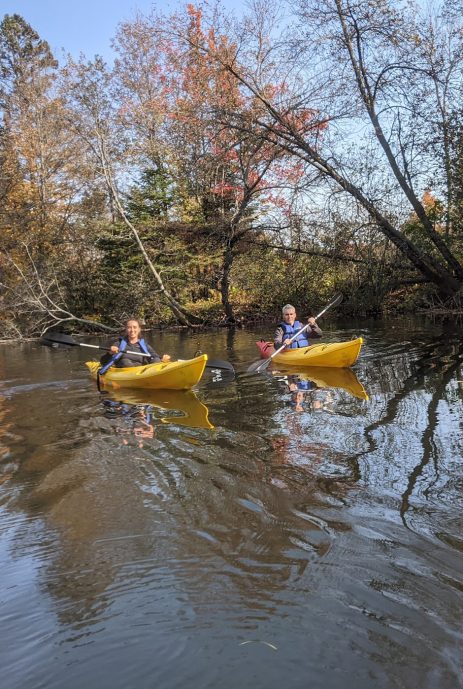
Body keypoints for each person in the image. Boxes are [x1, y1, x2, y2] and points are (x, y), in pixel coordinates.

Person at [100, 318, 170, 372]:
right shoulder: (118, 343)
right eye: (129, 327)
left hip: (141, 372)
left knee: (156, 360)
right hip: (124, 371)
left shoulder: (144, 345)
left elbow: (155, 356)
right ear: (126, 329)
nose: (132, 330)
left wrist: (163, 359)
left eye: (135, 327)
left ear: (139, 329)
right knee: (126, 361)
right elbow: (103, 362)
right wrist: (110, 353)